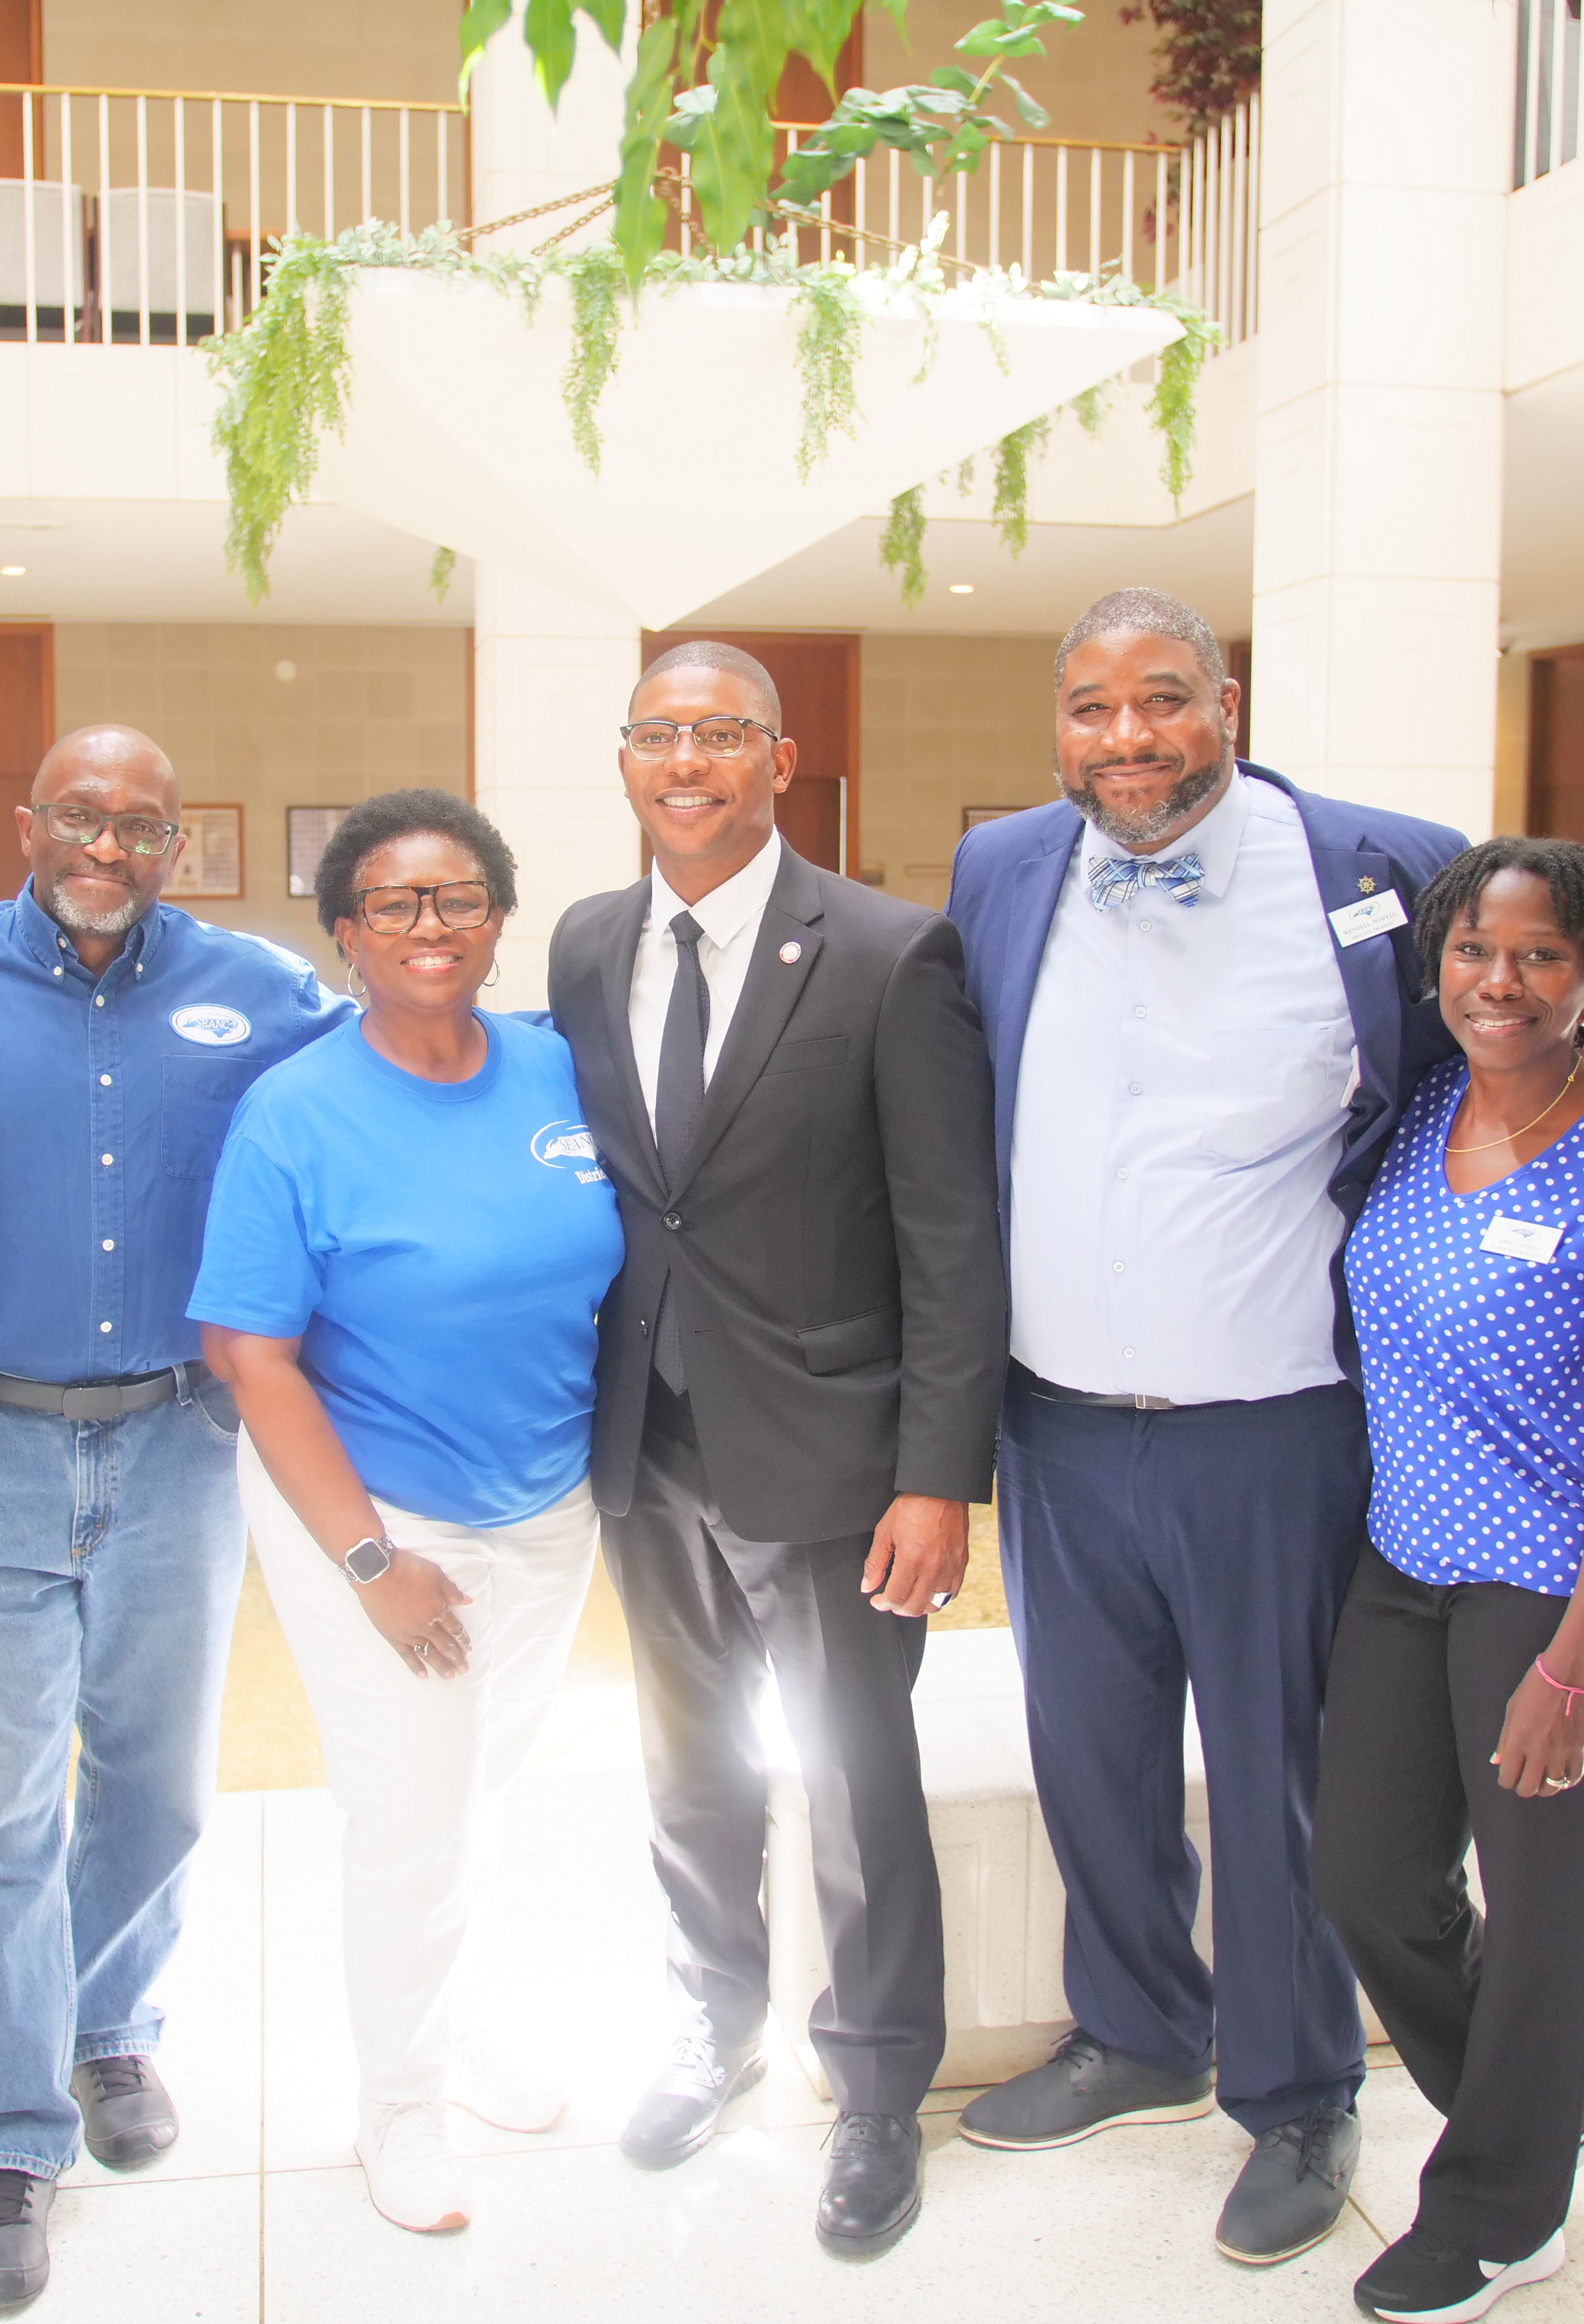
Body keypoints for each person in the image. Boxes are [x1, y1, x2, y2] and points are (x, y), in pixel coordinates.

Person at [941, 586, 1463, 2266]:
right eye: (1090, 709)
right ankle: (1140, 2032)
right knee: (1090, 1759)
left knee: (1278, 1775)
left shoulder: (1380, 869)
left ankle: (1301, 2090)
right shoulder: (1005, 868)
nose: (1127, 740)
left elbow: (1468, 1099)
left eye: (1161, 701)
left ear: (1224, 702)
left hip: (1277, 1430)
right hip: (1060, 1424)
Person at [0, 724, 347, 2311]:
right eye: (82, 816)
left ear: (178, 838)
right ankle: (8, 2139)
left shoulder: (261, 993)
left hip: (174, 1449)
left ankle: (110, 2032)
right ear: (27, 822)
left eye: (143, 824)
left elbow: (384, 1091)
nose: (109, 847)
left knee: (156, 1780)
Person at [543, 641, 1004, 2258]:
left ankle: (879, 2087)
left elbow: (954, 1236)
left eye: (722, 734)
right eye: (661, 735)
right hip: (647, 1438)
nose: (690, 761)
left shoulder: (889, 951)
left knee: (854, 1778)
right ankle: (711, 2014)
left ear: (780, 759)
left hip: (831, 1451)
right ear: (624, 761)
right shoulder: (589, 945)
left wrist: (939, 1474)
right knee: (691, 1763)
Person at [194, 790, 626, 2236]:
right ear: (344, 936)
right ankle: (395, 2101)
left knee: (478, 1784)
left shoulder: (559, 1071)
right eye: (394, 904)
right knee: (408, 1815)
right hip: (375, 1514)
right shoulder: (297, 1110)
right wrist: (376, 1562)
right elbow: (248, 1353)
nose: (428, 926)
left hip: (543, 1504)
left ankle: (454, 2011)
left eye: (457, 898)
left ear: (499, 920)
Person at [1309, 837, 1584, 2323]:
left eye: (1540, 956)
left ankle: (1498, 2210)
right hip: (1408, 1561)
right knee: (1364, 1877)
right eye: (1475, 948)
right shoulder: (1415, 1118)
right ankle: (1557, 2090)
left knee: (1541, 1910)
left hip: (1555, 1584)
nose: (1501, 981)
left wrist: (1577, 1661)